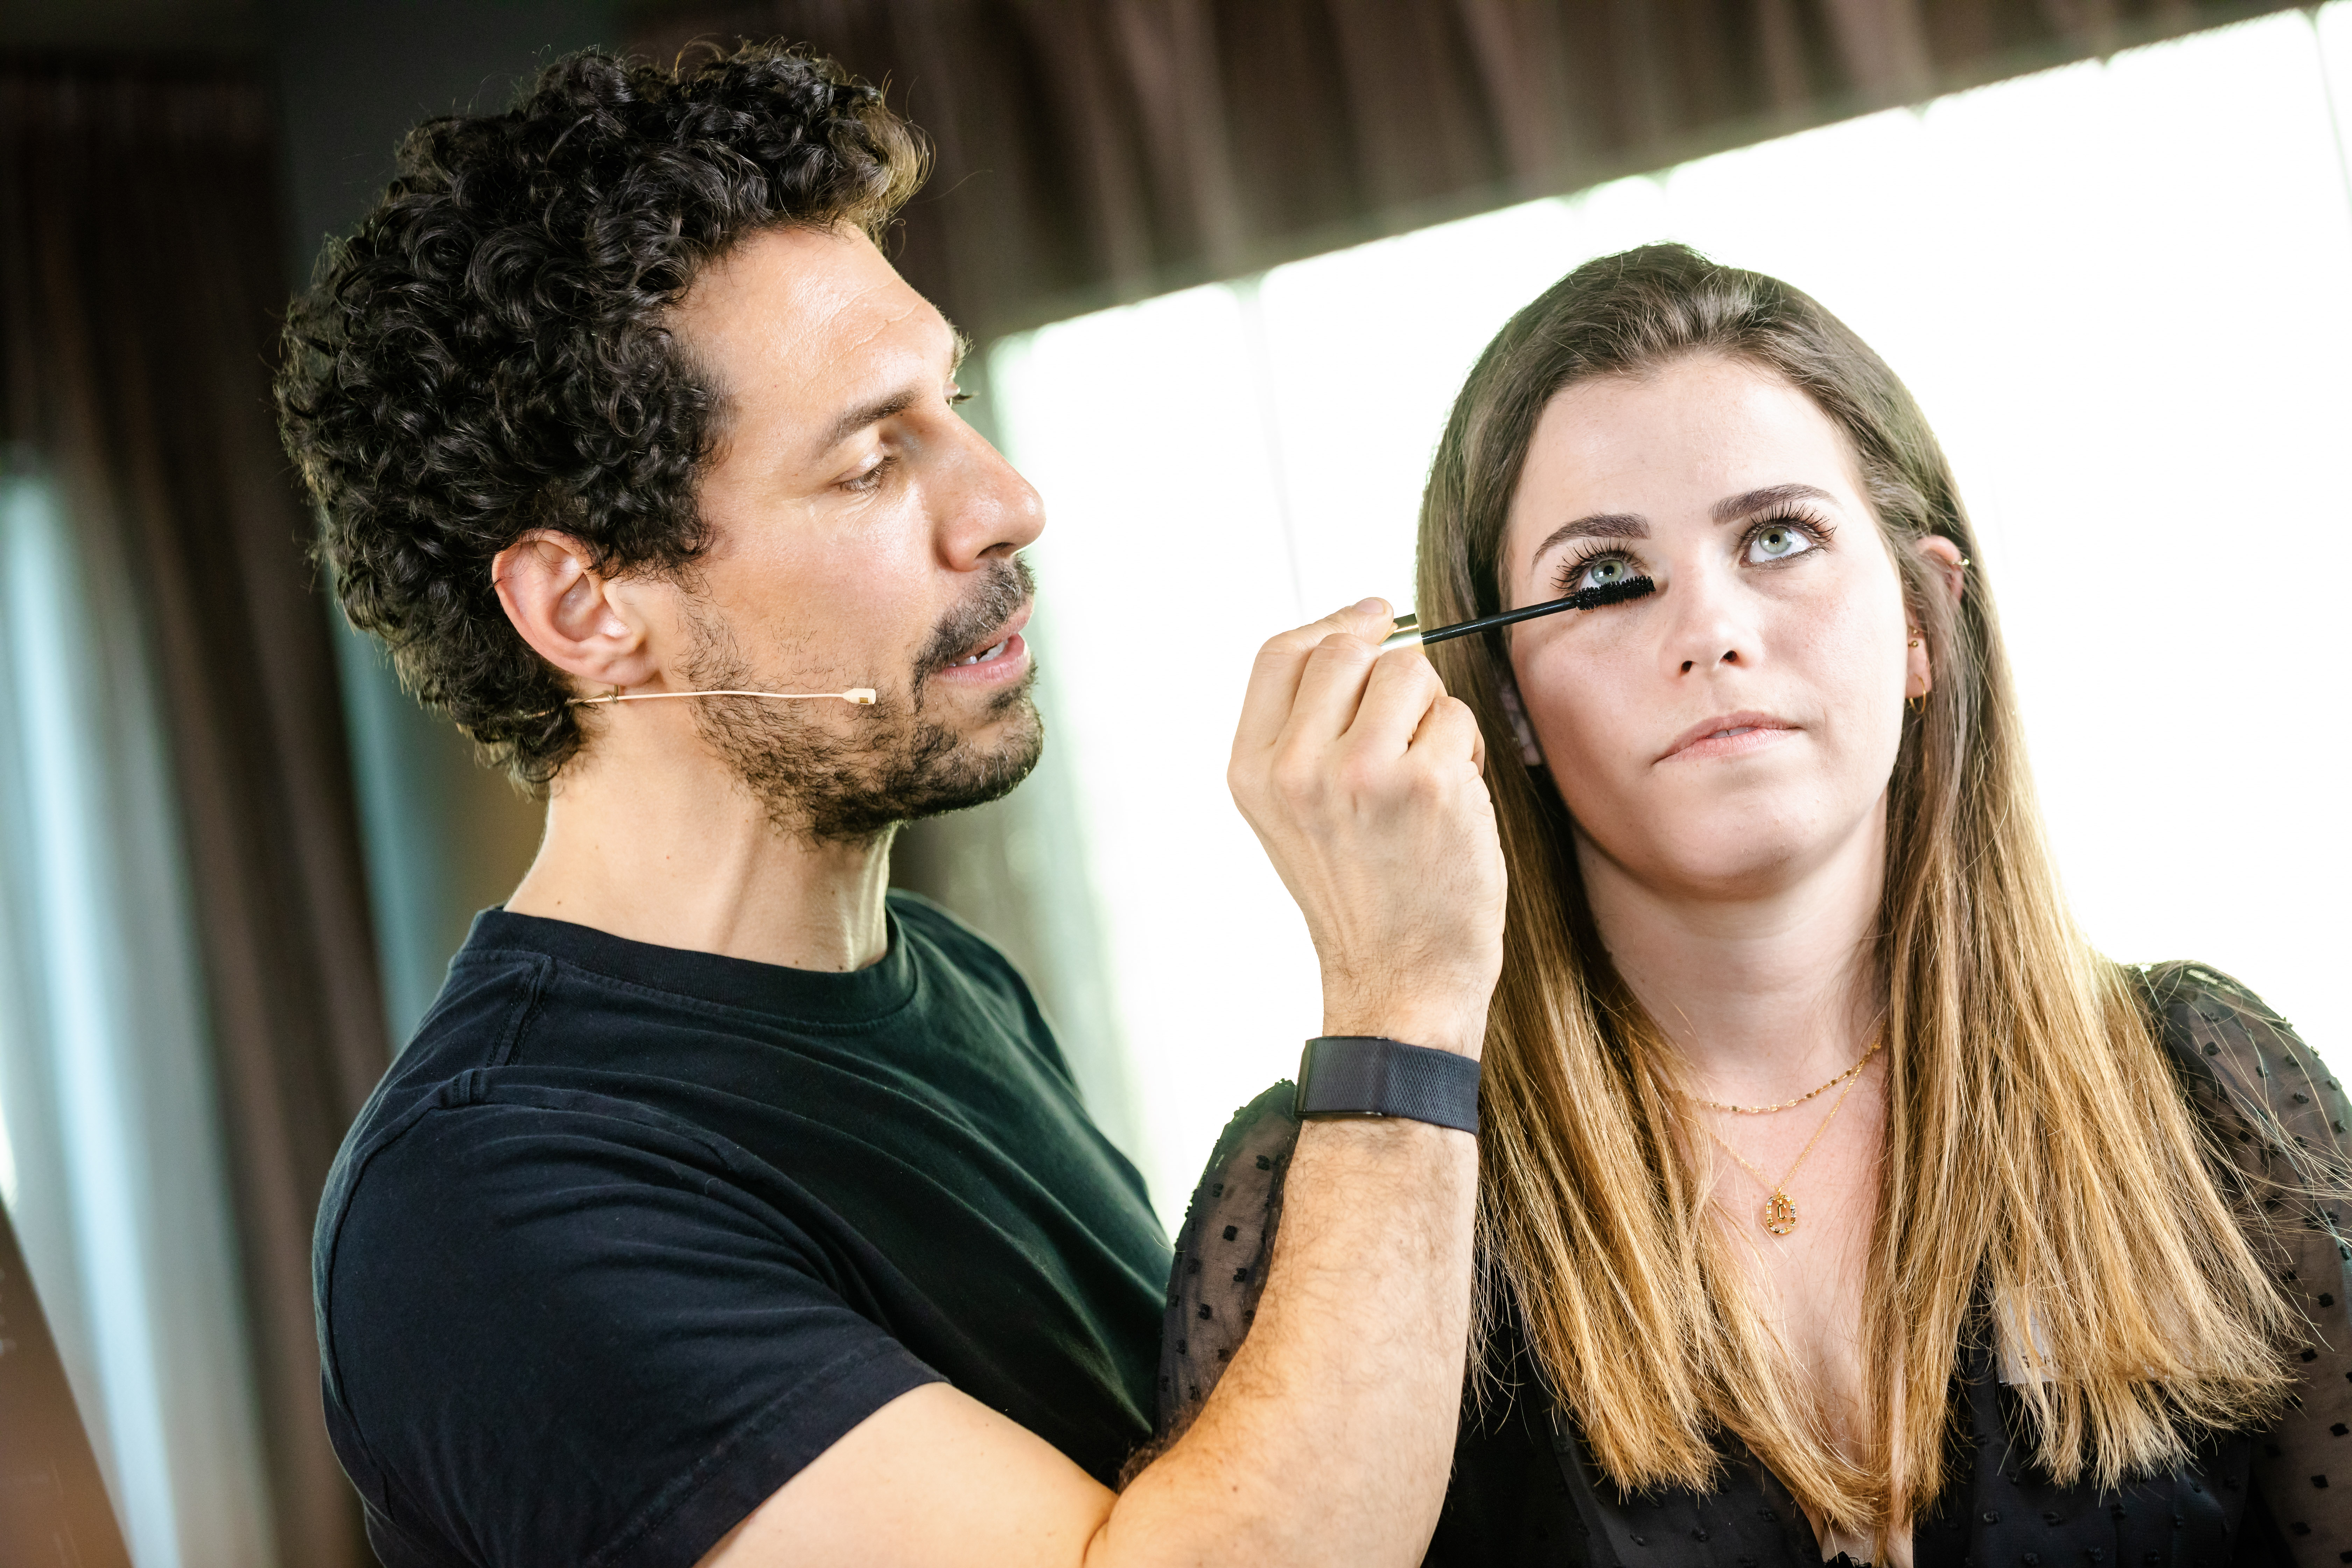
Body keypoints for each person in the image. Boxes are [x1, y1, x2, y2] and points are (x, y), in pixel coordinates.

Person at [279, 42, 1506, 1568]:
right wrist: (1401, 1005)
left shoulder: (952, 983)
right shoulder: (491, 1206)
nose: (1007, 504)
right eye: (871, 463)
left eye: (954, 402)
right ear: (586, 608)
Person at [1173, 245, 2351, 1567]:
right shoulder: (1321, 1192)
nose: (1714, 630)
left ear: (1924, 622)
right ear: (1508, 706)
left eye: (1778, 538)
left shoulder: (2214, 1097)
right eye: (1604, 578)